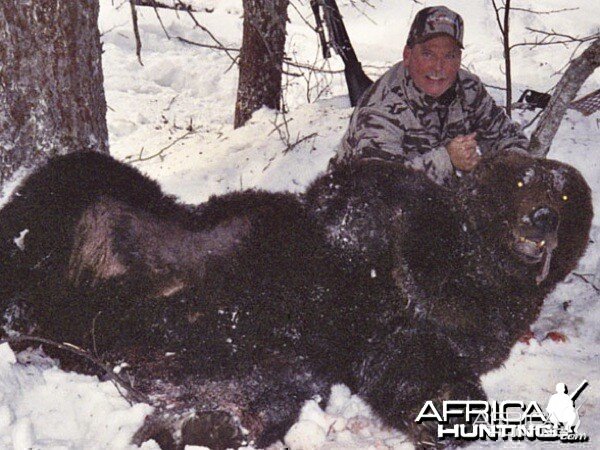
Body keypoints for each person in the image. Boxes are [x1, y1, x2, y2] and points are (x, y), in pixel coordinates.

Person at [332, 6, 529, 186]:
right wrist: (447, 160)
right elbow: (379, 186)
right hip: (357, 211)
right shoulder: (380, 107)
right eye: (428, 54)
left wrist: (506, 169)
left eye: (449, 56)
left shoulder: (469, 89)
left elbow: (510, 140)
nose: (438, 67)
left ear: (459, 59)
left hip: (435, 204)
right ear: (407, 55)